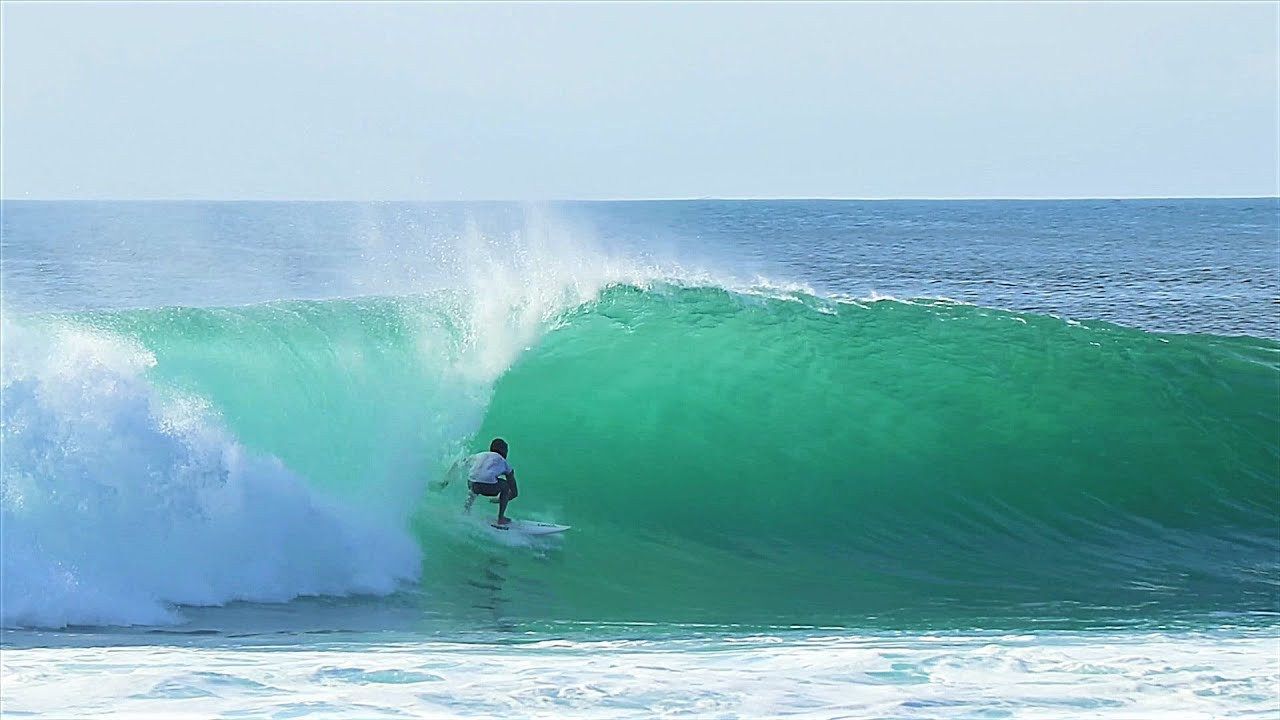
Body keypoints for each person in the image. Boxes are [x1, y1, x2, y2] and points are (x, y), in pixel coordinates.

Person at [461, 438, 518, 526]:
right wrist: (501, 499)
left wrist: (445, 481)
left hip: (472, 484)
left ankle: (466, 510)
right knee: (506, 486)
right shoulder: (503, 461)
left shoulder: (479, 455)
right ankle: (501, 518)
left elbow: (458, 463)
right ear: (503, 451)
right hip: (487, 487)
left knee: (475, 481)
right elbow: (513, 489)